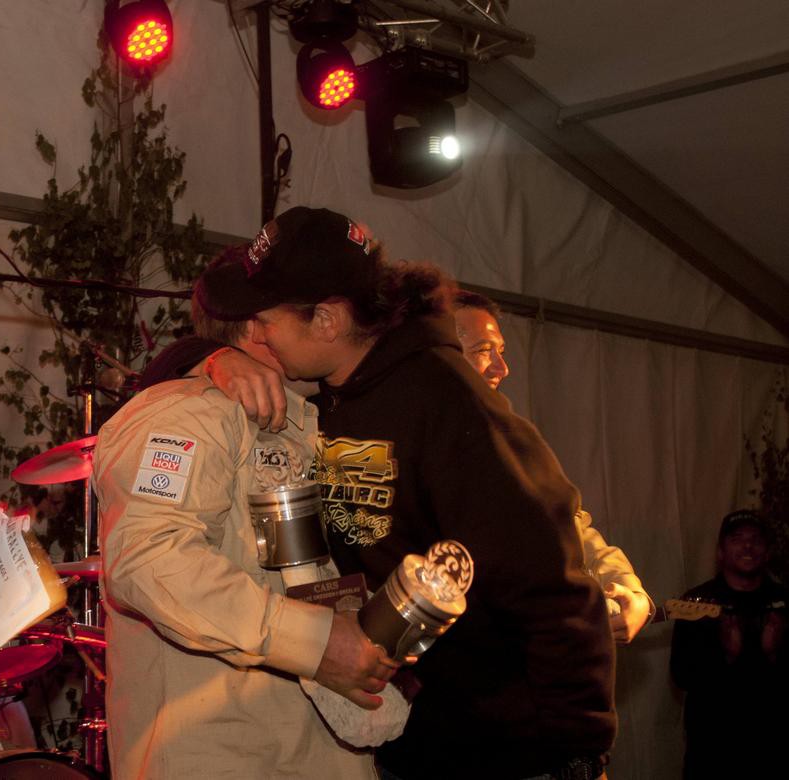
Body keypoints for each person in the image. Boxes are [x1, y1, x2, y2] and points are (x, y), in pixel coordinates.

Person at [192, 206, 615, 779]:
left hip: (507, 753)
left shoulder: (448, 402)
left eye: (265, 320)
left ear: (326, 320)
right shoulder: (328, 393)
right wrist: (209, 359)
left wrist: (577, 750)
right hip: (409, 745)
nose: (257, 337)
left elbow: (550, 580)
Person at [92, 247, 395, 779]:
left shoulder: (304, 425)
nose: (337, 328)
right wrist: (316, 642)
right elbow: (148, 559)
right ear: (259, 327)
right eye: (318, 313)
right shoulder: (187, 410)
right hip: (221, 756)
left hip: (306, 753)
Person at [453, 290, 654, 644]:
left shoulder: (514, 443)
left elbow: (571, 526)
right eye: (484, 351)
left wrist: (629, 590)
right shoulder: (395, 444)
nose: (502, 368)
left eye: (501, 351)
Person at [670, 509, 788, 778]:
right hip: (713, 751)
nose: (747, 546)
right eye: (737, 539)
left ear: (767, 552)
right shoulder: (695, 602)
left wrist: (773, 654)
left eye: (755, 540)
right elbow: (681, 675)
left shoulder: (783, 600)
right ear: (720, 552)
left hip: (776, 749)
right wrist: (727, 656)